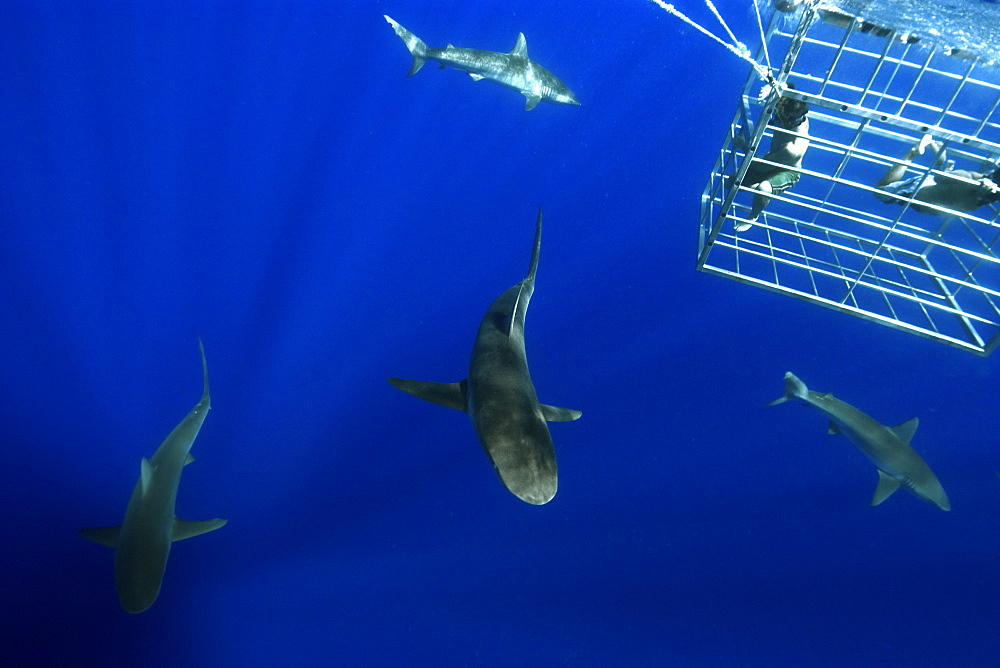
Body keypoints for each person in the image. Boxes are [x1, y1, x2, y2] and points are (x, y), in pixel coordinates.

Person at [737, 85, 810, 232]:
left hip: (788, 170)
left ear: (787, 122)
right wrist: (774, 87)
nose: (775, 118)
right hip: (772, 159)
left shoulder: (792, 149)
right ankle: (755, 189)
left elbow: (761, 166)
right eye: (776, 114)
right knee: (731, 182)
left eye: (778, 117)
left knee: (763, 187)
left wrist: (743, 146)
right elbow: (789, 86)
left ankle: (753, 216)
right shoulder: (796, 113)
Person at [875, 134, 1000, 216]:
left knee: (881, 190)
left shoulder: (971, 179)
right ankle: (919, 156)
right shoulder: (972, 204)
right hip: (925, 191)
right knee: (880, 191)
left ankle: (927, 158)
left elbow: (940, 180)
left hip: (932, 186)